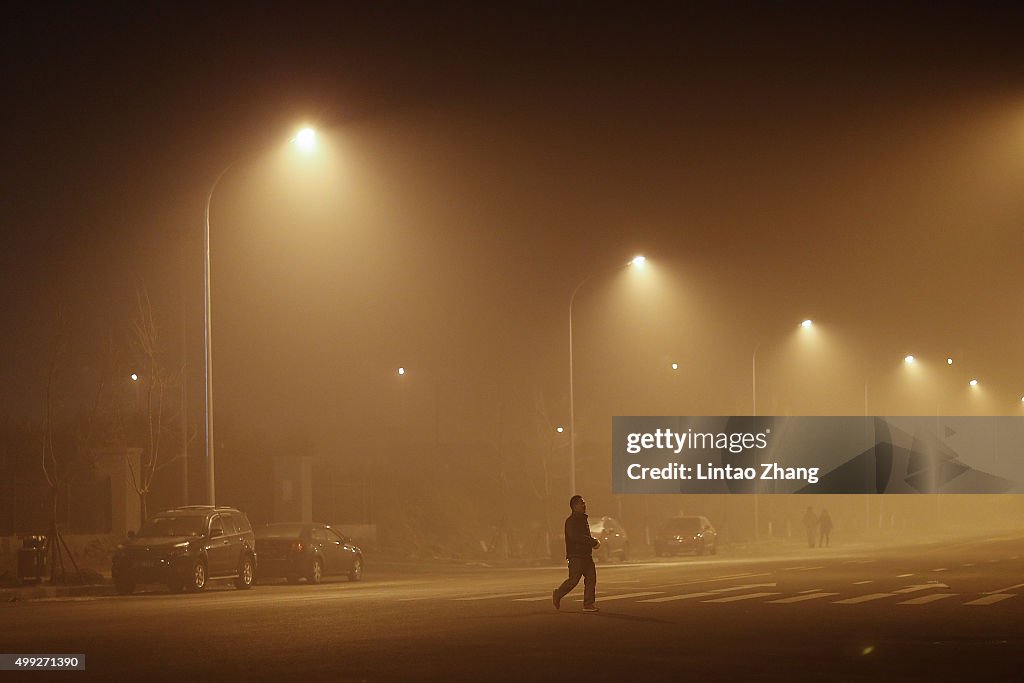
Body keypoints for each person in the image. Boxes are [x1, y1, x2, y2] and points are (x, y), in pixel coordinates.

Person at [552, 495, 601, 612]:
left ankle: (588, 604)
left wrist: (591, 543)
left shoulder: (583, 519)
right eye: (581, 503)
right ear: (574, 506)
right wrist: (592, 541)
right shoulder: (571, 521)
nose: (584, 505)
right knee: (573, 580)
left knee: (591, 579)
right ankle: (558, 593)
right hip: (576, 556)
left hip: (586, 555)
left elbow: (584, 536)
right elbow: (575, 537)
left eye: (584, 503)